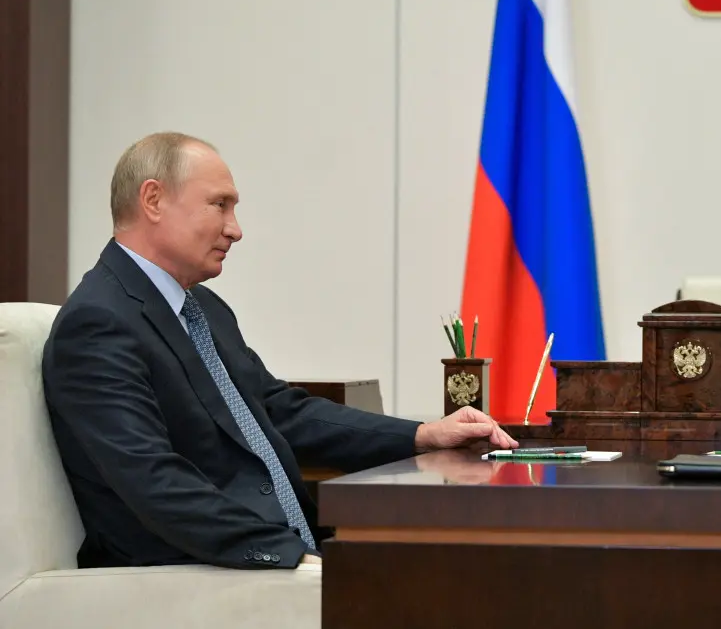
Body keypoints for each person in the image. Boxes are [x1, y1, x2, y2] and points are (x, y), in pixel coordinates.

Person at [43, 132, 517, 572]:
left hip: (281, 553)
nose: (235, 229)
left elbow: (278, 411)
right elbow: (154, 484)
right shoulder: (98, 323)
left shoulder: (201, 307)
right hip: (196, 575)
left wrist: (424, 434)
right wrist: (290, 557)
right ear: (153, 200)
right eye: (220, 205)